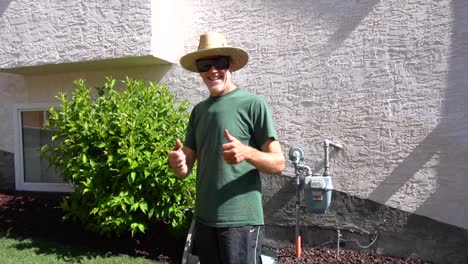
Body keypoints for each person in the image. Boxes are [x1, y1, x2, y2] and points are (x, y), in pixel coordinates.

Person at [168, 32, 285, 264]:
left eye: (220, 63)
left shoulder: (252, 104)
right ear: (199, 71)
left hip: (241, 221)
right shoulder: (199, 111)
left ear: (230, 65)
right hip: (205, 219)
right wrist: (178, 163)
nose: (213, 71)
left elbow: (279, 163)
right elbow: (185, 169)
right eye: (205, 65)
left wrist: (247, 152)